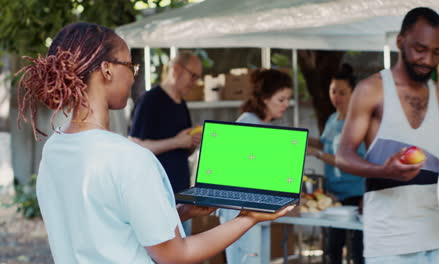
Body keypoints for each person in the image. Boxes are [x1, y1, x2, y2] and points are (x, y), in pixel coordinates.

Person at [16, 22, 294, 264]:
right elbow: (175, 254)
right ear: (107, 71)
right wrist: (249, 218)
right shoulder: (128, 158)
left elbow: (106, 227)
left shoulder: (55, 148)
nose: (133, 75)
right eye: (129, 65)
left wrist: (180, 212)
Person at [336, 7, 439, 263]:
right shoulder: (371, 90)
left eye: (436, 52)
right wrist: (384, 171)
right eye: (420, 49)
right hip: (390, 241)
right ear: (400, 42)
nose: (428, 60)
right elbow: (343, 156)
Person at [218, 68, 293, 264]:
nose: (286, 104)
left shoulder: (262, 124)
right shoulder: (247, 124)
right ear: (265, 98)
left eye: (288, 99)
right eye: (281, 99)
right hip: (239, 213)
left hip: (255, 211)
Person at [307, 64, 364, 264]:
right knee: (333, 247)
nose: (336, 96)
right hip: (333, 193)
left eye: (342, 92)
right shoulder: (332, 118)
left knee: (358, 248)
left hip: (356, 192)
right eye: (333, 91)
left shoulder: (358, 121)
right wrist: (303, 139)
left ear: (353, 93)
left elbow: (350, 160)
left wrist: (317, 153)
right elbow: (326, 143)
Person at [129, 51, 202, 195]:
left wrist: (191, 142)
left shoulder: (181, 103)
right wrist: (177, 142)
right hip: (155, 193)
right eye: (193, 76)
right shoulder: (150, 100)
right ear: (176, 69)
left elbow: (182, 151)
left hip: (180, 191)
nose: (194, 83)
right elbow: (134, 146)